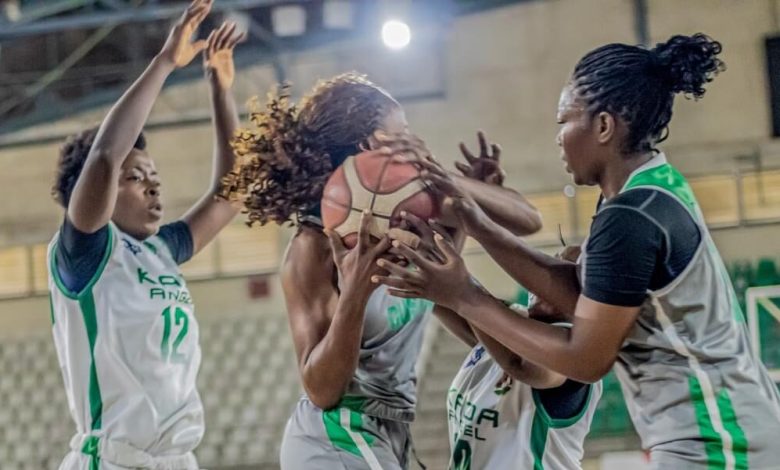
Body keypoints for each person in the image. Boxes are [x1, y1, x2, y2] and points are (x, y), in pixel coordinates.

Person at [377, 33, 780, 469]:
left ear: (604, 126)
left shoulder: (631, 216)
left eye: (563, 121)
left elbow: (586, 358)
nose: (558, 138)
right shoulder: (645, 191)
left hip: (721, 441)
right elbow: (580, 292)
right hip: (732, 427)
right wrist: (477, 223)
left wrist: (462, 294)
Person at [220, 74, 541, 469]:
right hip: (335, 434)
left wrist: (460, 186)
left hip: (392, 431)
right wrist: (354, 293)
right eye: (402, 132)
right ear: (372, 146)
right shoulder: (313, 245)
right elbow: (321, 388)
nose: (414, 142)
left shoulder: (406, 219)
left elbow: (527, 221)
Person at [47, 1, 245, 467]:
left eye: (154, 174)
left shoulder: (161, 250)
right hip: (115, 459)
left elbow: (232, 194)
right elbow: (103, 158)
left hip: (176, 459)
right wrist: (164, 63)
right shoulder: (85, 253)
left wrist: (220, 89)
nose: (155, 183)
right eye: (137, 177)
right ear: (91, 194)